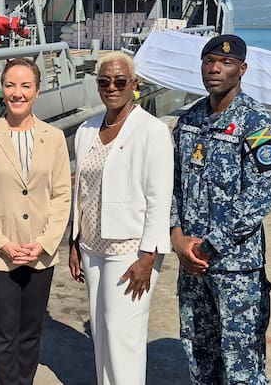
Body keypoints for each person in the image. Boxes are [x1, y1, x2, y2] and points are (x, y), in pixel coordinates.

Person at [170, 34, 271, 384]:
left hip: (236, 270)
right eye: (209, 61)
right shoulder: (189, 121)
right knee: (199, 358)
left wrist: (209, 245)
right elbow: (171, 186)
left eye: (226, 63)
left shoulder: (257, 123)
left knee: (242, 366)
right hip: (193, 266)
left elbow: (259, 197)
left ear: (242, 69)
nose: (215, 69)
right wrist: (177, 237)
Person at [68, 52, 173, 385]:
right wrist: (74, 241)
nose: (111, 87)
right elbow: (81, 191)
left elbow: (159, 197)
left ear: (134, 84)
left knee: (123, 334)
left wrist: (148, 256)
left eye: (120, 81)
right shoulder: (87, 129)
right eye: (104, 81)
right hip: (91, 246)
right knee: (101, 331)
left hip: (130, 249)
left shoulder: (152, 131)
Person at [0, 58, 71, 385]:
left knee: (30, 331)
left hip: (39, 253)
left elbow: (62, 196)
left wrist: (44, 243)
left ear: (37, 91)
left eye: (26, 86)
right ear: (2, 90)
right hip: (0, 255)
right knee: (3, 334)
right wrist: (1, 244)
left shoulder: (54, 137)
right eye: (10, 85)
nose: (17, 93)